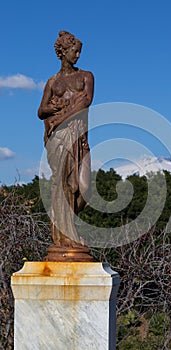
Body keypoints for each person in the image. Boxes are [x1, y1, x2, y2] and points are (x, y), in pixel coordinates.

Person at [38, 30, 94, 247]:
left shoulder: (86, 76)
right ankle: (66, 232)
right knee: (64, 186)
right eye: (74, 51)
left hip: (79, 137)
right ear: (63, 52)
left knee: (85, 189)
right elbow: (41, 111)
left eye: (79, 51)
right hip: (59, 139)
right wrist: (51, 109)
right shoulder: (53, 82)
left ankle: (64, 220)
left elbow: (85, 101)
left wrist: (60, 117)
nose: (78, 55)